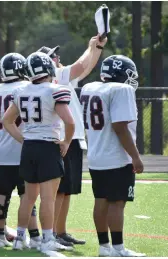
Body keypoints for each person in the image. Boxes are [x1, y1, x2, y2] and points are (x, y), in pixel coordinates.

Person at [37, 34, 107, 246]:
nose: (57, 58)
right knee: (59, 190)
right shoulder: (55, 75)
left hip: (72, 137)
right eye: (53, 56)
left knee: (67, 190)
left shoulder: (59, 76)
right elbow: (79, 66)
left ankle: (61, 231)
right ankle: (53, 233)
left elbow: (85, 68)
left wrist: (97, 49)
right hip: (61, 138)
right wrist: (91, 46)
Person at [2, 52, 74, 254]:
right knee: (48, 198)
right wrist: (67, 141)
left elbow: (7, 121)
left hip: (29, 148)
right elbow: (70, 121)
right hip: (47, 147)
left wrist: (23, 139)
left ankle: (19, 238)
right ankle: (47, 239)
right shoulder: (54, 90)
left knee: (28, 198)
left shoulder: (20, 90)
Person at [80, 55, 145, 257]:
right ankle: (118, 248)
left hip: (96, 155)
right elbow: (120, 127)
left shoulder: (90, 87)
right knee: (117, 202)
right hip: (116, 156)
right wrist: (135, 156)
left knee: (101, 200)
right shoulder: (121, 90)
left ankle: (104, 247)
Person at [0, 53, 41, 248]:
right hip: (24, 148)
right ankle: (34, 237)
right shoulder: (26, 88)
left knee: (1, 195)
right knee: (28, 196)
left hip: (0, 150)